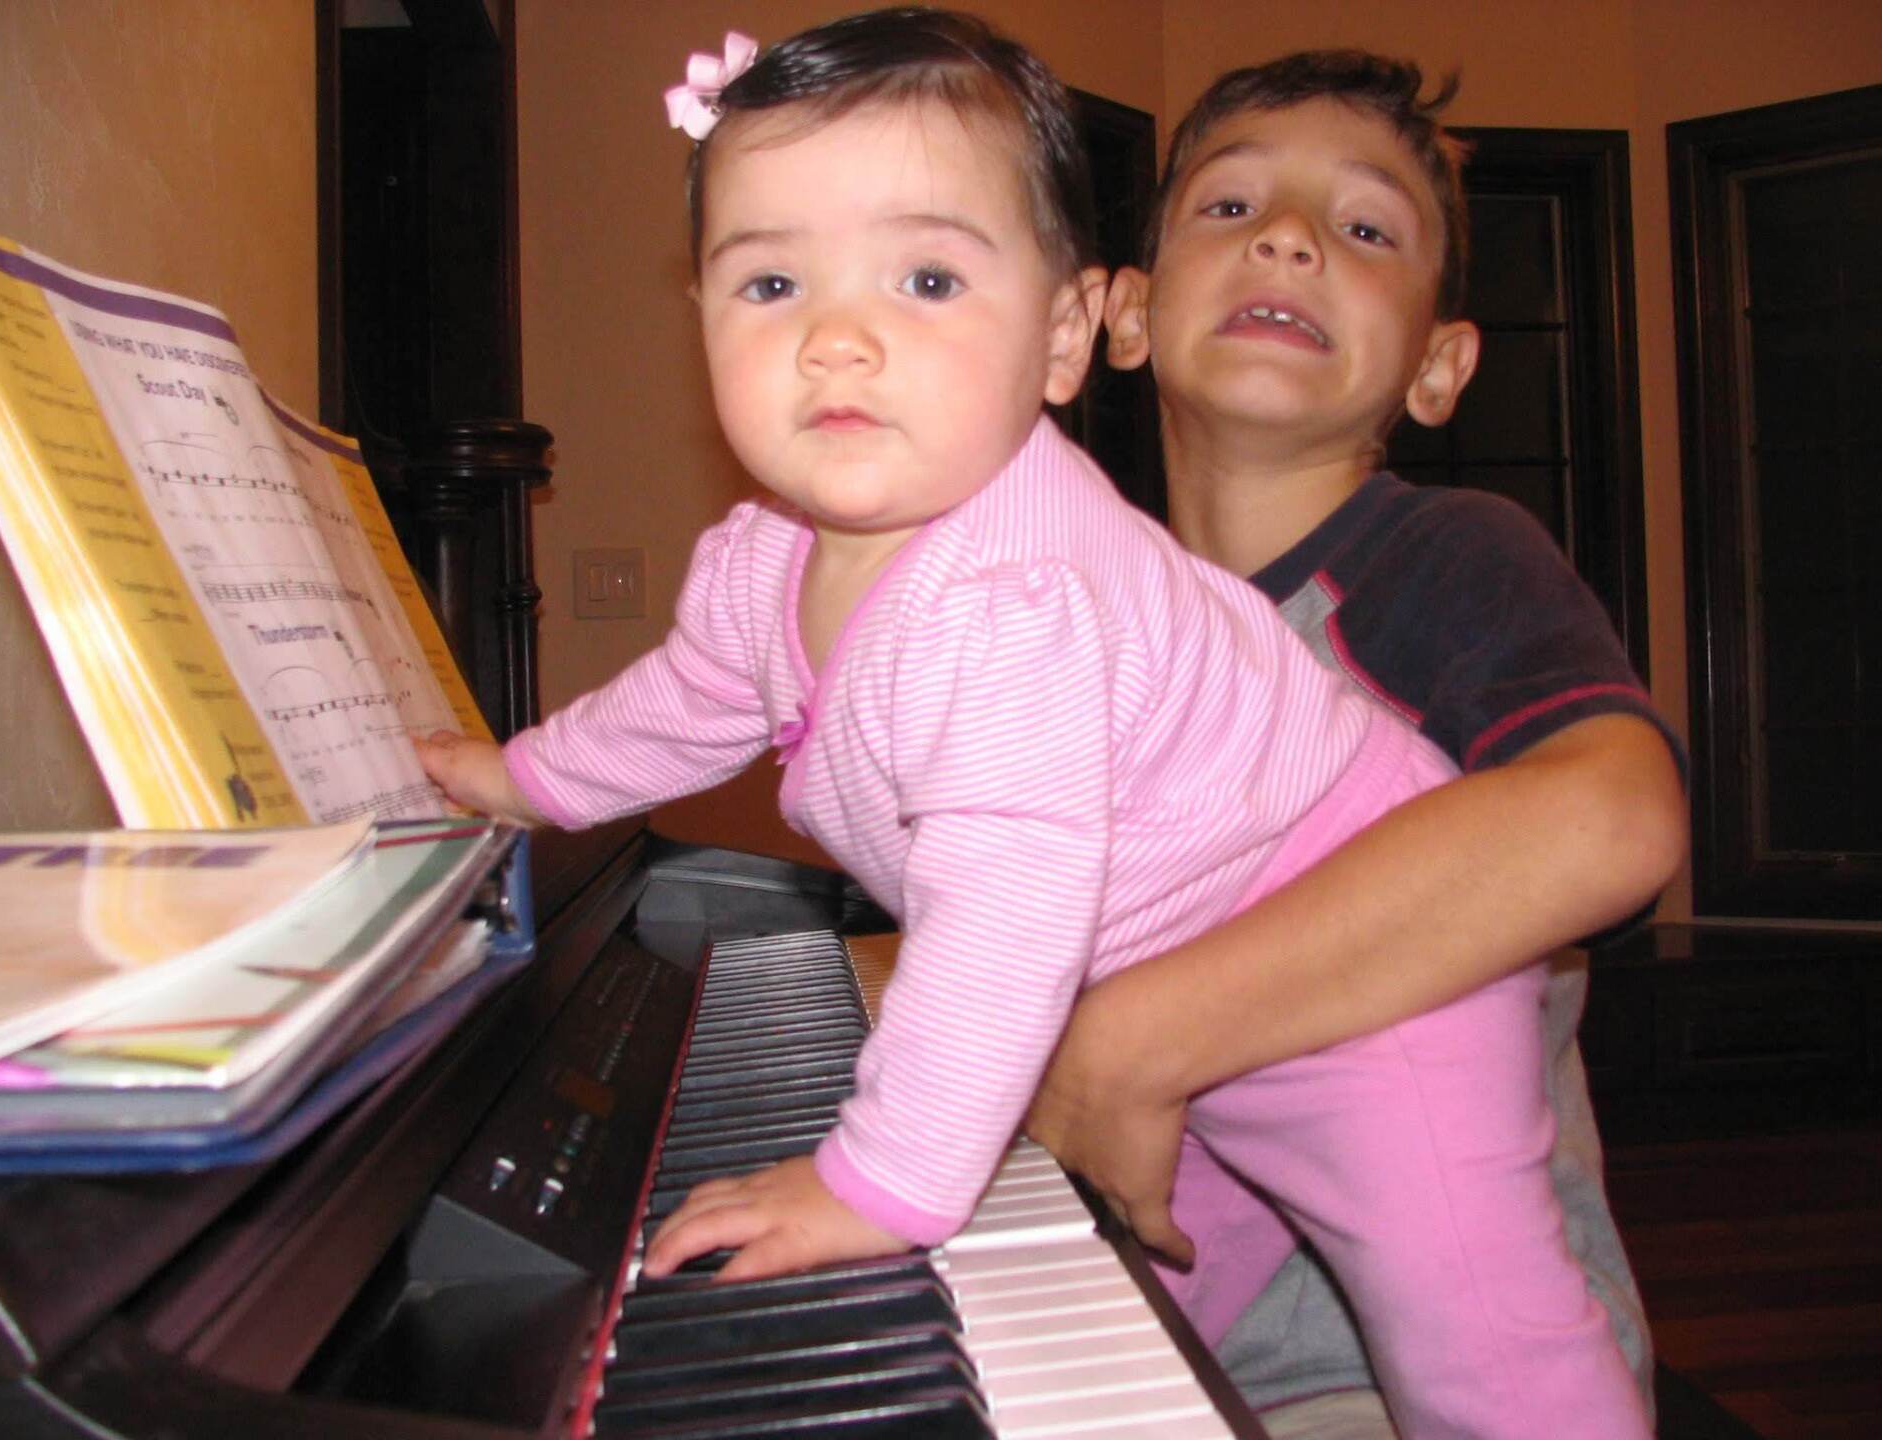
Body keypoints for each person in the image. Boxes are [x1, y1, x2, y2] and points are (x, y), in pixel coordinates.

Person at [417, 11, 1649, 1436]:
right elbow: (681, 707)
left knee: (1474, 1329)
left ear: (1065, 337)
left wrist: (876, 1182)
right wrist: (521, 779)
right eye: (770, 282)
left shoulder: (1013, 601)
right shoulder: (762, 560)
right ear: (697, 312)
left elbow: (1005, 908)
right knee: (1146, 1309)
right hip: (1173, 985)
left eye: (928, 278)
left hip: (1368, 982)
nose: (836, 338)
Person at [1020, 50, 1688, 1439]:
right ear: (1125, 316)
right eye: (1230, 207)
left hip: (1401, 1373)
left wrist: (1136, 1037)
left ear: (1440, 367)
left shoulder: (1447, 555)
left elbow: (1613, 819)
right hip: (1143, 1331)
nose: (1288, 238)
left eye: (1365, 228)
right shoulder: (1077, 615)